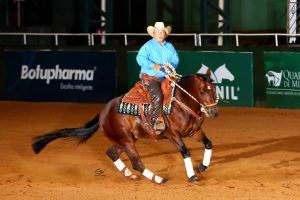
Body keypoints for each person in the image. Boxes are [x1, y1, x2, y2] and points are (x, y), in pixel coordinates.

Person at [136, 22, 179, 132]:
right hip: (151, 77)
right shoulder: (148, 46)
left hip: (166, 77)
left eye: (162, 32)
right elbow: (140, 58)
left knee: (178, 93)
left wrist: (171, 67)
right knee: (158, 96)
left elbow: (175, 60)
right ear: (153, 34)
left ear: (165, 33)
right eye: (158, 32)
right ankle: (154, 122)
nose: (160, 34)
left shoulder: (169, 46)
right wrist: (153, 65)